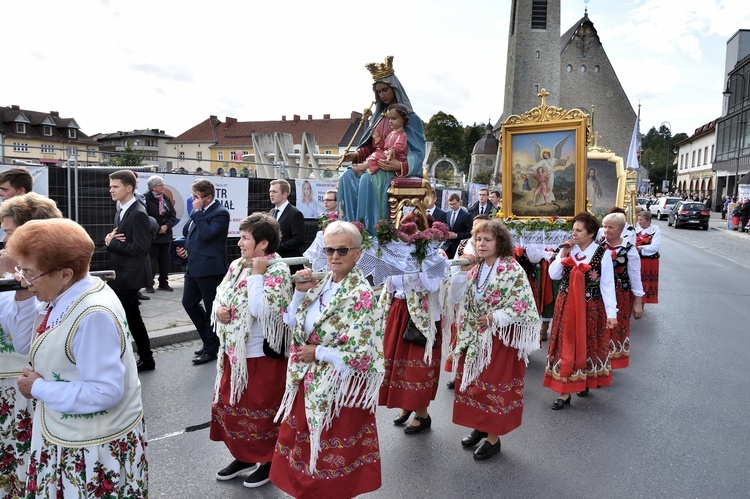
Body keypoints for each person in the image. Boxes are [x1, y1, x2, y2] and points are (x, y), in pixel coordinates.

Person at [8, 218, 148, 498]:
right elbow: (27, 339)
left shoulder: (93, 313)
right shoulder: (73, 291)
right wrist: (27, 289)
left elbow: (104, 391)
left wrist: (37, 387)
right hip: (71, 434)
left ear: (65, 274)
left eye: (30, 273)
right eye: (21, 270)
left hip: (90, 448)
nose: (23, 280)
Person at [270, 221, 384, 498]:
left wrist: (318, 352)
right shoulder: (320, 284)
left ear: (358, 254)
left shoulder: (362, 295)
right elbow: (291, 321)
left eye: (342, 250)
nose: (334, 256)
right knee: (306, 445)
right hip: (309, 381)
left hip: (341, 388)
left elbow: (362, 352)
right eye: (329, 249)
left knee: (331, 450)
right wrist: (299, 293)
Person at [210, 213, 292, 488]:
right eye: (241, 237)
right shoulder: (236, 265)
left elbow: (262, 310)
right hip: (234, 353)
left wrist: (258, 275)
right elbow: (221, 293)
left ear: (264, 244)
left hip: (260, 356)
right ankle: (244, 455)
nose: (240, 243)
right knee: (233, 407)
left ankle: (268, 460)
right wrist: (219, 309)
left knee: (262, 410)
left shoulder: (278, 269)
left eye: (245, 238)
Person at [449, 219, 540, 460]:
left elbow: (524, 306)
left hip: (499, 340)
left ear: (499, 243)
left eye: (487, 240)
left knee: (493, 386)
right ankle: (480, 426)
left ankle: (493, 438)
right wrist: (461, 273)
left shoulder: (512, 269)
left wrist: (494, 317)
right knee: (475, 386)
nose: (481, 244)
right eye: (478, 239)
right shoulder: (475, 268)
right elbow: (457, 298)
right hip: (475, 337)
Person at [0, 193, 61, 498]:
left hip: (18, 392)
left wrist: (20, 290)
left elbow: (22, 341)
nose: (3, 240)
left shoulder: (42, 284)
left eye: (9, 233)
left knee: (20, 465)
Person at [338, 56, 426, 234]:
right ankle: (350, 227)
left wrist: (400, 165)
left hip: (391, 169)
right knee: (346, 178)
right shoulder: (377, 118)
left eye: (385, 89)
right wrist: (355, 156)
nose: (382, 95)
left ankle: (372, 230)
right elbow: (371, 148)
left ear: (394, 88)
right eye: (378, 92)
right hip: (375, 162)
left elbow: (418, 153)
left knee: (366, 179)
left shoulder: (411, 118)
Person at [543, 212, 618, 409]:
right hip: (566, 305)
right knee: (565, 345)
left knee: (587, 344)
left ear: (591, 233)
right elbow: (553, 274)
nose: (574, 234)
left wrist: (612, 314)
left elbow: (607, 285)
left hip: (590, 307)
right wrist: (563, 254)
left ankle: (583, 381)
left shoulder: (602, 254)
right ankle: (564, 392)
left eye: (579, 230)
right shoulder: (570, 250)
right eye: (573, 230)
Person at [379, 212, 444, 434]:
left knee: (418, 366)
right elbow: (390, 284)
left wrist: (420, 259)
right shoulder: (397, 253)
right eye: (404, 231)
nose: (407, 238)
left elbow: (433, 286)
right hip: (399, 311)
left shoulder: (436, 254)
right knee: (398, 365)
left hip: (423, 316)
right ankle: (407, 406)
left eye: (412, 232)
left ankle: (422, 414)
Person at [105, 170, 155, 372]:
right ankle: (146, 358)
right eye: (111, 186)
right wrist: (112, 240)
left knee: (118, 319)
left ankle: (118, 362)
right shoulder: (121, 210)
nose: (111, 190)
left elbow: (142, 249)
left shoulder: (138, 213)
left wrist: (112, 244)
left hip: (129, 277)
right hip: (122, 274)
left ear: (129, 188)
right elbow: (119, 240)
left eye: (115, 186)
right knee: (133, 318)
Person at [176, 179, 230, 365]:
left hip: (210, 269)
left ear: (208, 198)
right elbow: (190, 233)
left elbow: (208, 233)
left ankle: (211, 349)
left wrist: (198, 212)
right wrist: (182, 248)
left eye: (196, 197)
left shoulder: (220, 213)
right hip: (193, 266)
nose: (193, 200)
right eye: (192, 196)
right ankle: (208, 341)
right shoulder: (198, 212)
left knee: (211, 309)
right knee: (189, 303)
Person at [600, 212, 644, 369]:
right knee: (600, 327)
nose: (606, 230)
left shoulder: (629, 250)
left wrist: (638, 303)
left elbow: (636, 278)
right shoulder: (598, 247)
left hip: (622, 295)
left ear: (620, 229)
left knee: (617, 327)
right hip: (601, 296)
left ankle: (612, 362)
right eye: (605, 227)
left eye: (610, 227)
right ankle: (600, 361)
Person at [144, 175, 177, 293]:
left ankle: (163, 283)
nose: (163, 187)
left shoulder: (166, 198)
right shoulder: (145, 199)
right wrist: (157, 228)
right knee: (151, 261)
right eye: (160, 185)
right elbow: (145, 217)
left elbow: (173, 215)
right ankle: (149, 284)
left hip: (166, 235)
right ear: (153, 188)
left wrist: (166, 226)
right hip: (153, 235)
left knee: (164, 261)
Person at [357, 103, 409, 176]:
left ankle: (365, 167)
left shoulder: (402, 135)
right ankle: (366, 167)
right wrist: (377, 138)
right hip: (387, 154)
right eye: (389, 118)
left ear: (403, 119)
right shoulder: (391, 133)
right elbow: (384, 146)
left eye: (394, 119)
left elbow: (399, 146)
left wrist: (392, 150)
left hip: (395, 157)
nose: (390, 121)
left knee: (378, 154)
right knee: (377, 152)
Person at [269, 179, 306, 274]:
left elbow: (299, 238)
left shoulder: (295, 213)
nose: (271, 194)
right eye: (270, 191)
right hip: (274, 263)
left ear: (284, 194)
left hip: (290, 264)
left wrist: (277, 247)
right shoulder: (272, 212)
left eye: (274, 191)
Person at [635, 211, 661, 304]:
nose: (639, 222)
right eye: (638, 220)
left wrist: (640, 248)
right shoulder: (636, 230)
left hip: (649, 261)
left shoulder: (655, 231)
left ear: (648, 221)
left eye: (641, 220)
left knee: (645, 281)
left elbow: (654, 247)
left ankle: (642, 302)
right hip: (637, 260)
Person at [443, 193, 473, 258]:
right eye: (450, 204)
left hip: (459, 247)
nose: (452, 206)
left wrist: (456, 235)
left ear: (459, 202)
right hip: (447, 247)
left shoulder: (466, 216)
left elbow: (470, 233)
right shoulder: (447, 214)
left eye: (454, 204)